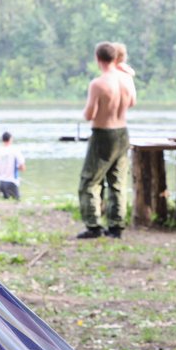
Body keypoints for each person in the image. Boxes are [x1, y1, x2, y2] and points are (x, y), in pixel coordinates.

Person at [77, 41, 136, 239]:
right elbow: (133, 102)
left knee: (89, 181)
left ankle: (93, 225)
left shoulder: (98, 83)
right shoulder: (126, 80)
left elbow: (89, 114)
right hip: (122, 132)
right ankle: (116, 226)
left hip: (103, 134)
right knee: (117, 181)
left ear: (98, 58)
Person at [0, 131, 26, 200]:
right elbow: (23, 168)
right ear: (11, 139)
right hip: (12, 182)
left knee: (3, 205)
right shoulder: (15, 150)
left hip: (1, 183)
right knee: (16, 204)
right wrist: (15, 169)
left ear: (2, 140)